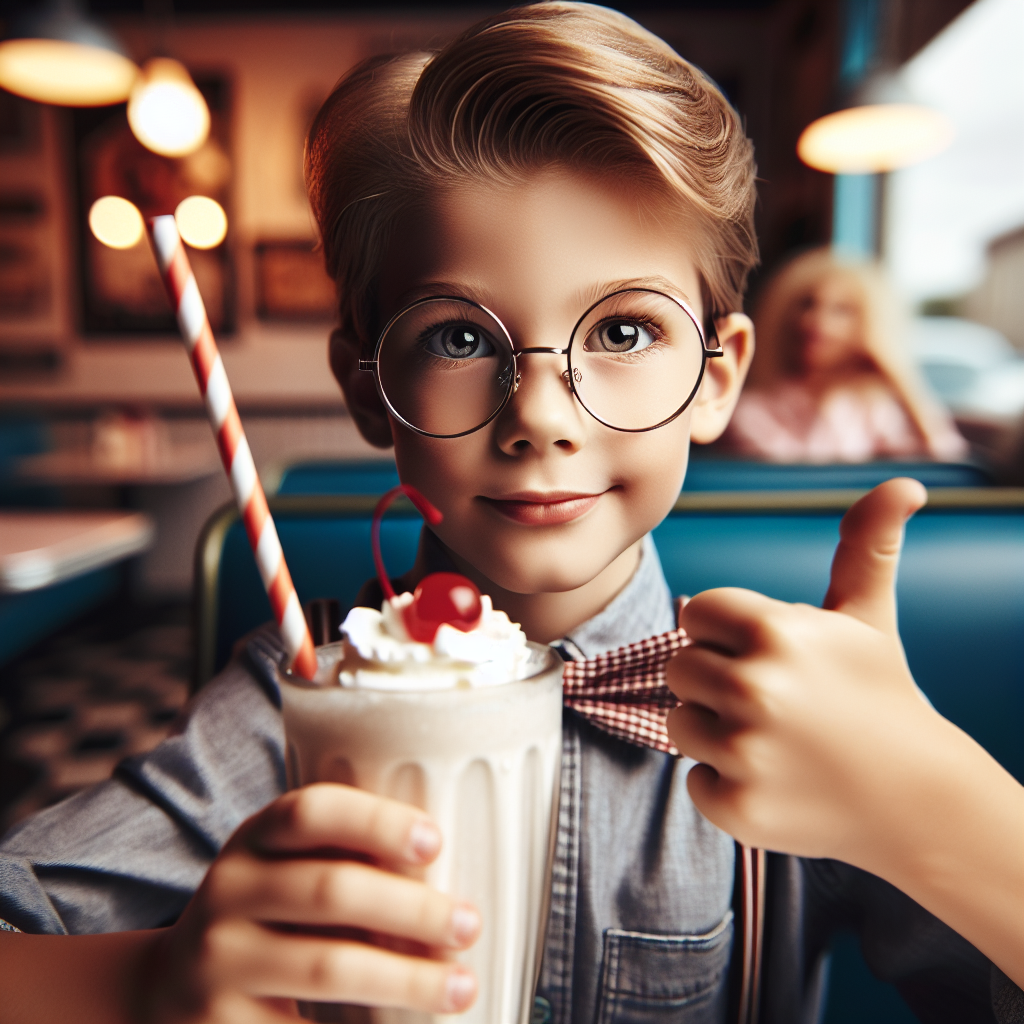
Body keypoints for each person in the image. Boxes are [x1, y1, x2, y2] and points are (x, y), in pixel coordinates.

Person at [1, 5, 1021, 1023]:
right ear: (368, 386)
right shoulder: (298, 698)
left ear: (719, 380)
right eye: (456, 338)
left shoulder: (789, 716)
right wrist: (146, 983)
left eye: (623, 328)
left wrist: (933, 801)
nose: (538, 414)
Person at [721, 248, 968, 463]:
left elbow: (944, 460)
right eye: (807, 304)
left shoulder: (874, 411)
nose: (817, 322)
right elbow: (799, 485)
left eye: (842, 310)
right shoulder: (750, 410)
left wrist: (899, 376)